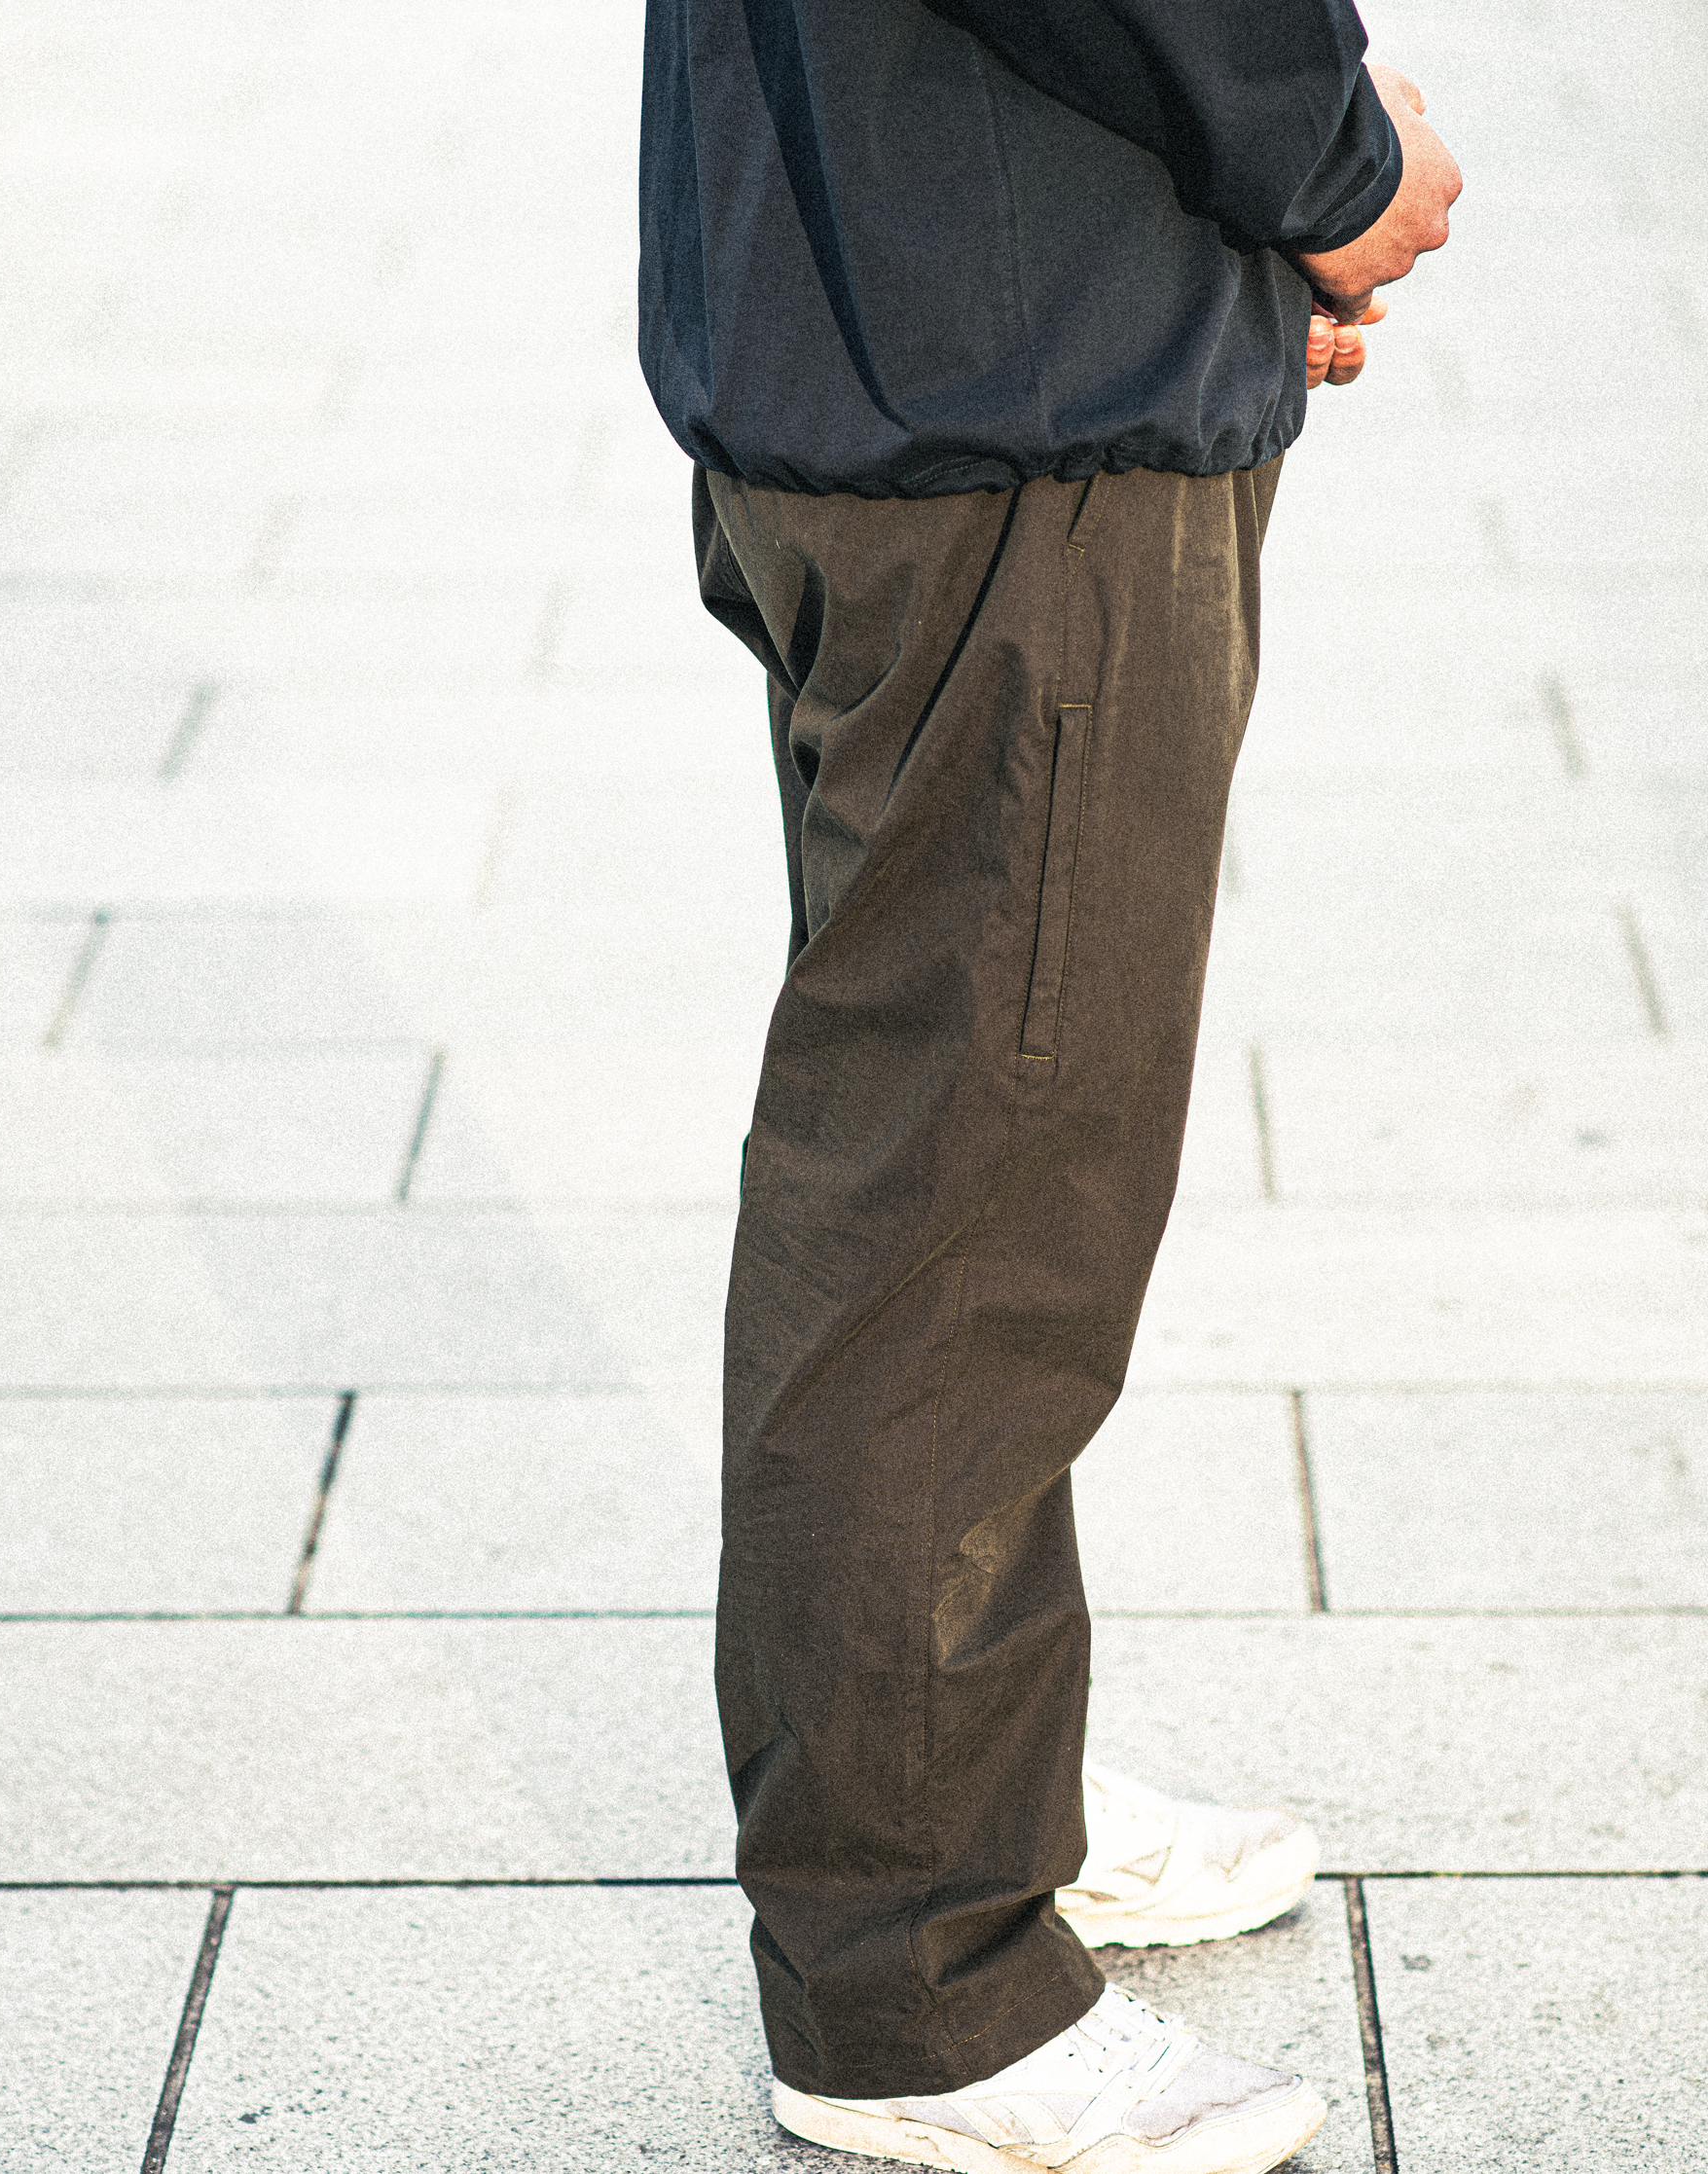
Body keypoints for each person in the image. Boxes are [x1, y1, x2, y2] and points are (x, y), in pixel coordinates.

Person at [637, 5, 1461, 2167]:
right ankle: (916, 1982)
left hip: (887, 317)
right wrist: (1325, 157)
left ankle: (973, 1785)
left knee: (963, 1146)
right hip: (1016, 400)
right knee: (971, 1199)